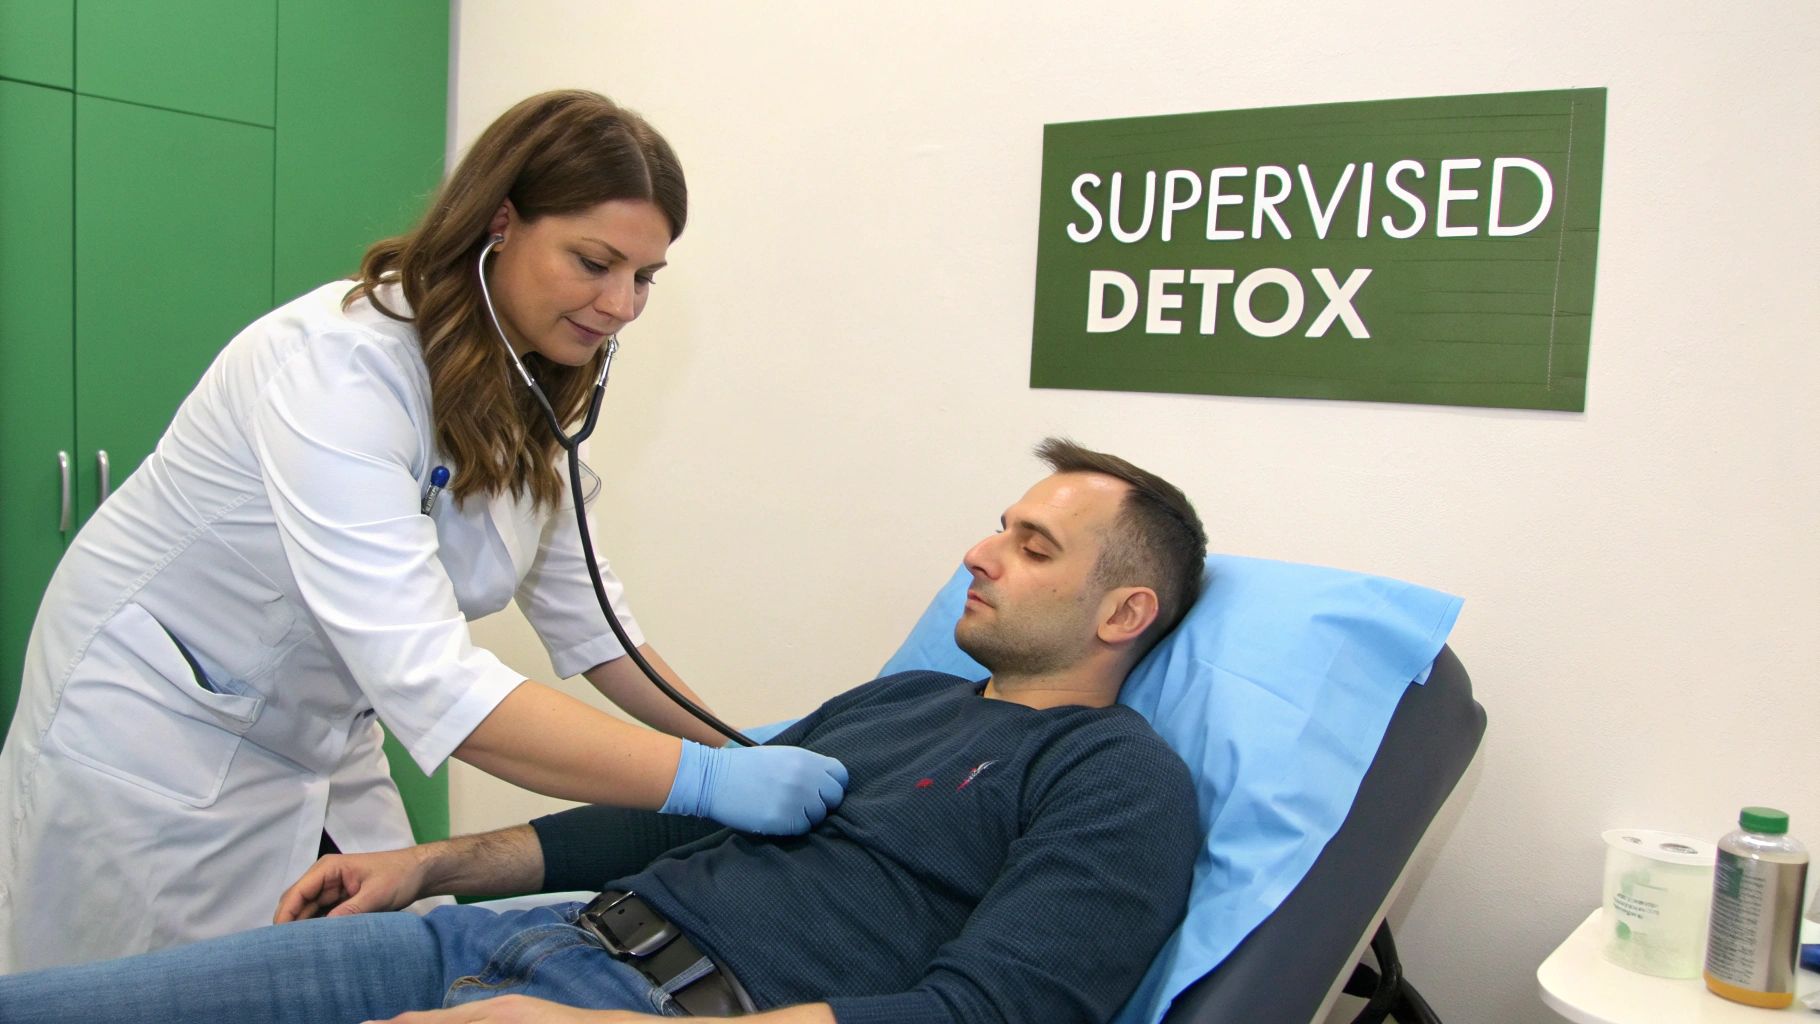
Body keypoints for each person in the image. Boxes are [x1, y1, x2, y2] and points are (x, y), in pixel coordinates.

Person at [0, 90, 847, 972]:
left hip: (324, 729)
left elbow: (597, 630)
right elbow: (440, 689)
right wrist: (706, 783)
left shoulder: (533, 387)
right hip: (161, 731)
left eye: (643, 277)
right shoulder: (338, 368)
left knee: (389, 959)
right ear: (499, 222)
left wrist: (744, 743)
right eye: (595, 262)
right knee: (146, 991)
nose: (622, 304)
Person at [0, 438, 1209, 1024]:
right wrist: (429, 866)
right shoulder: (906, 702)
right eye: (998, 524)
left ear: (1124, 611)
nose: (976, 553)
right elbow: (666, 813)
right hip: (500, 938)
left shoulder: (1113, 780)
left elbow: (991, 1017)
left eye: (1029, 547)